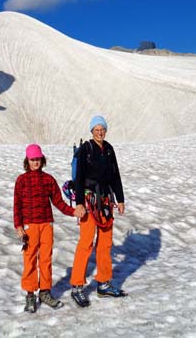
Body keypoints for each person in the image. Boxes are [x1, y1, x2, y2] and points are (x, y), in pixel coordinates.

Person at [70, 115, 126, 307]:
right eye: (97, 129)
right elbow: (78, 179)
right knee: (86, 242)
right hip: (88, 201)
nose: (100, 132)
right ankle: (77, 286)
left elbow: (116, 175)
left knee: (105, 243)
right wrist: (79, 204)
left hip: (105, 202)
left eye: (102, 129)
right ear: (92, 131)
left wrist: (120, 199)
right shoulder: (86, 149)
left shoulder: (109, 149)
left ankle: (104, 282)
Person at [13, 143, 76, 313]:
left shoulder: (49, 180)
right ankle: (30, 295)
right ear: (28, 160)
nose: (36, 162)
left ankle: (45, 292)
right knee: (30, 260)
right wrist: (18, 226)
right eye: (33, 159)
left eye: (38, 159)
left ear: (42, 159)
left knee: (46, 259)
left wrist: (73, 212)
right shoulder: (21, 180)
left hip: (47, 224)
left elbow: (59, 202)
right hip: (29, 226)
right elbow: (17, 205)